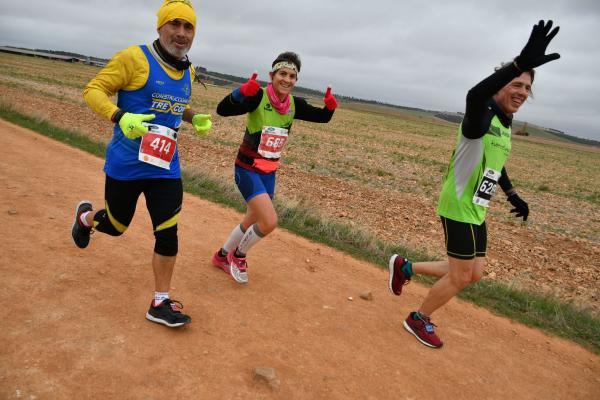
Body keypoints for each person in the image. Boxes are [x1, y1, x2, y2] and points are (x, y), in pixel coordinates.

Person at [388, 20, 560, 348]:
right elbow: (474, 94)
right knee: (461, 275)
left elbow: (496, 164)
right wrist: (520, 63)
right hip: (457, 206)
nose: (522, 92)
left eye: (527, 87)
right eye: (516, 83)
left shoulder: (505, 125)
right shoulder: (480, 117)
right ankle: (418, 318)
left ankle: (405, 266)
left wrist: (512, 194)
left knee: (473, 273)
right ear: (499, 86)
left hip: (477, 209)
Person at [72, 0, 213, 328]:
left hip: (166, 167)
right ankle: (86, 217)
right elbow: (93, 90)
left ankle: (160, 302)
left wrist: (193, 117)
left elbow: (174, 105)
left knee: (168, 231)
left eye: (188, 27)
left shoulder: (188, 69)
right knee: (116, 226)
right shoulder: (134, 58)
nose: (181, 33)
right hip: (126, 165)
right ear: (160, 27)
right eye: (174, 24)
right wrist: (120, 116)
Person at [211, 52, 337, 284]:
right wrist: (239, 94)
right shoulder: (257, 97)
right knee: (268, 221)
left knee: (252, 217)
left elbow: (322, 117)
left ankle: (221, 256)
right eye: (282, 74)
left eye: (292, 76)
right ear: (272, 75)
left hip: (269, 173)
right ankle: (238, 256)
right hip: (247, 169)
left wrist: (329, 108)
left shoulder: (294, 105)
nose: (287, 79)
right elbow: (222, 110)